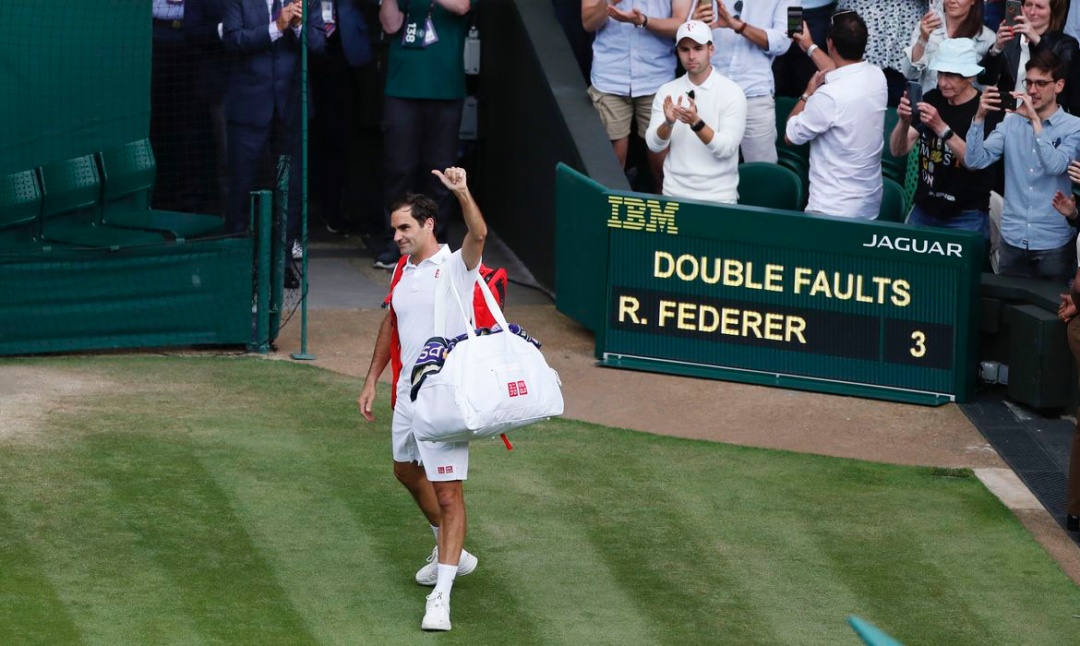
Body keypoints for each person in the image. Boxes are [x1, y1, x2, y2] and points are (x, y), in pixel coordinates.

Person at [357, 167, 487, 632]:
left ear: (429, 224)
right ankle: (454, 551)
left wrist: (462, 192)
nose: (396, 236)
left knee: (449, 495)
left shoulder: (456, 267)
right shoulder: (402, 269)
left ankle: (441, 598)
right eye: (394, 229)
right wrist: (373, 378)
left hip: (444, 398)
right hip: (407, 397)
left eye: (404, 228)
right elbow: (391, 323)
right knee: (405, 471)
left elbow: (479, 233)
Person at [222, 0, 325, 260]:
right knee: (242, 183)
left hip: (291, 108)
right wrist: (277, 26)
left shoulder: (306, 2)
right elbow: (232, 40)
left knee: (289, 186)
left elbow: (318, 44)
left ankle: (283, 260)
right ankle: (237, 259)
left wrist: (298, 26)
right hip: (248, 107)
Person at [965, 49, 1080, 283]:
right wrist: (979, 117)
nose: (1033, 90)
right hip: (1013, 239)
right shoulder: (1012, 123)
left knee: (1052, 306)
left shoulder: (1074, 127)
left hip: (1053, 243)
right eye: (1029, 83)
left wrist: (1035, 121)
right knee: (1007, 305)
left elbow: (1055, 165)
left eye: (1041, 83)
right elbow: (975, 161)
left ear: (1059, 86)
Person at [373, 0, 472, 270]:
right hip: (401, 87)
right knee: (399, 169)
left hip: (445, 89)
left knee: (440, 171)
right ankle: (396, 243)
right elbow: (390, 24)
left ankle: (435, 245)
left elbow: (462, 6)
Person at [890, 38, 1002, 236]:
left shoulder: (987, 109)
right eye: (940, 73)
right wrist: (904, 122)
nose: (942, 82)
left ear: (970, 77)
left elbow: (974, 162)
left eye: (951, 75)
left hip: (966, 215)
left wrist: (940, 127)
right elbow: (898, 150)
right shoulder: (932, 98)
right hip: (924, 210)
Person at [785, 10, 888, 218]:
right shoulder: (877, 76)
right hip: (868, 205)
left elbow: (790, 136)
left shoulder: (827, 96)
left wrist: (807, 94)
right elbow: (841, 72)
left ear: (830, 44)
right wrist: (809, 46)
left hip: (830, 210)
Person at [582, 0, 692, 190]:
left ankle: (667, 207)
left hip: (656, 78)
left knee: (664, 167)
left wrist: (643, 21)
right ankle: (611, 208)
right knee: (611, 166)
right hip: (610, 78)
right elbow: (588, 22)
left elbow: (681, 25)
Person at [644, 20, 746, 203]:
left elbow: (726, 149)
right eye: (685, 49)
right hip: (674, 194)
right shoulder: (667, 90)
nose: (691, 56)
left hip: (719, 198)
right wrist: (668, 123)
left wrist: (696, 124)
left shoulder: (732, 91)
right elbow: (654, 144)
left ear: (711, 50)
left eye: (698, 48)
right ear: (678, 52)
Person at [691, 0, 794, 163]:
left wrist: (739, 26)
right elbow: (686, 38)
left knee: (761, 167)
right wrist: (693, 25)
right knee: (706, 165)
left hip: (755, 93)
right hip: (711, 89)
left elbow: (785, 41)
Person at [309, 0, 374, 234]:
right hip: (303, 56)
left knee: (340, 138)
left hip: (345, 59)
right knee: (305, 138)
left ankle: (333, 209)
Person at [979, 0, 1080, 112]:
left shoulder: (1066, 44)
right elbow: (985, 79)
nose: (1032, 12)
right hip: (1008, 114)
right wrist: (996, 49)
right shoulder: (1010, 39)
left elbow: (1061, 82)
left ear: (1053, 11)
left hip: (1044, 116)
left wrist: (1037, 40)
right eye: (1028, 5)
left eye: (1039, 7)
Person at [905, 0, 996, 91]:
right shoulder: (926, 27)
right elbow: (909, 73)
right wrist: (923, 39)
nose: (952, 1)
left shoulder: (987, 38)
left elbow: (989, 83)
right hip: (927, 97)